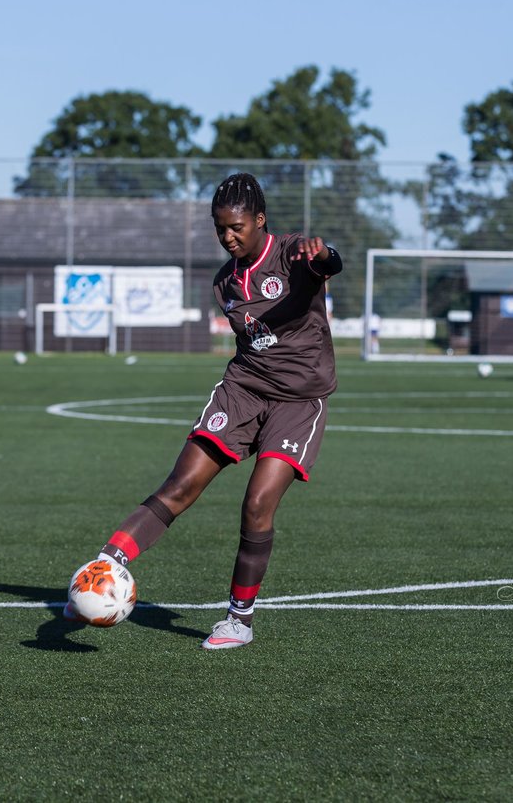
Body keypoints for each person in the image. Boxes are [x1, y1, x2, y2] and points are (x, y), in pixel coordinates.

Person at [66, 173, 343, 650]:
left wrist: (322, 255)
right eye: (220, 228)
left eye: (236, 226)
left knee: (257, 504)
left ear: (260, 220)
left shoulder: (293, 252)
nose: (228, 237)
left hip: (298, 402)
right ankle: (105, 566)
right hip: (243, 390)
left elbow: (327, 262)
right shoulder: (225, 282)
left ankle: (239, 620)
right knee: (180, 484)